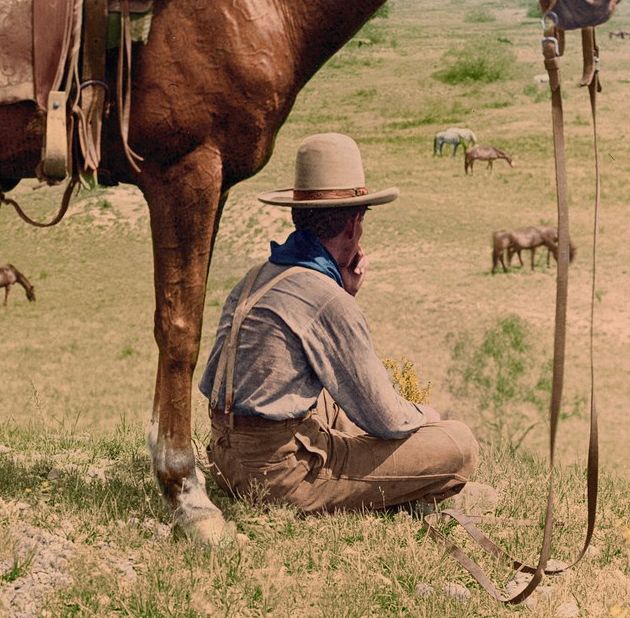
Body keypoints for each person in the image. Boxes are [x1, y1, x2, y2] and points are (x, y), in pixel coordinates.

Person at [198, 133, 480, 513]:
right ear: (353, 224)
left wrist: (342, 293)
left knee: (334, 393)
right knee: (459, 443)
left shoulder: (257, 275)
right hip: (280, 477)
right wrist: (425, 417)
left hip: (224, 461)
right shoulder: (325, 297)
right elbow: (386, 419)